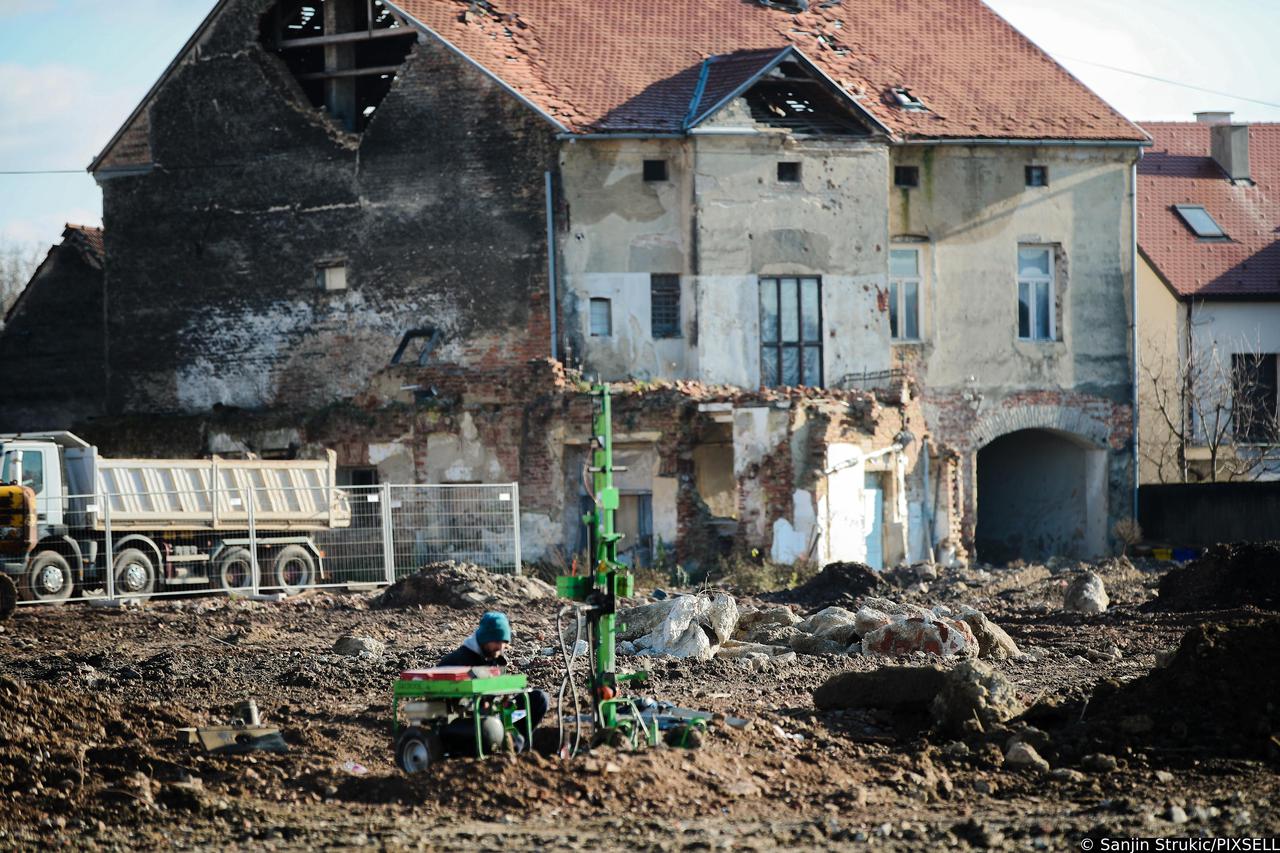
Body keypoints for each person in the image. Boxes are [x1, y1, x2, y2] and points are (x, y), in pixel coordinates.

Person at [438, 611, 549, 748]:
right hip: (469, 717)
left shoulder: (495, 656)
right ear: (485, 639)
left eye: (504, 642)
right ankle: (507, 743)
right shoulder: (458, 660)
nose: (500, 647)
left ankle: (515, 741)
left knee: (539, 698)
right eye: (496, 641)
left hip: (495, 710)